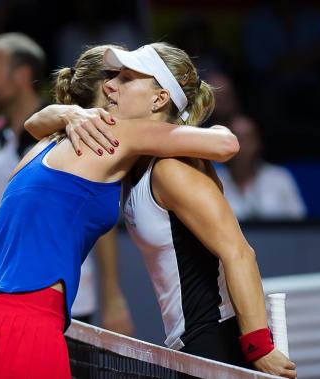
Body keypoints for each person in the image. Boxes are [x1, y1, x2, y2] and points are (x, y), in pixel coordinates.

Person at [0, 43, 242, 378]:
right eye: (122, 78)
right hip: (26, 323)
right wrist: (212, 125)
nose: (121, 86)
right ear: (107, 89)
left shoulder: (41, 145)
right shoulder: (115, 130)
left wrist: (63, 113)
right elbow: (226, 145)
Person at [26, 43, 297, 378]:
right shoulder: (135, 163)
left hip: (218, 343)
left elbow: (239, 252)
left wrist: (260, 347)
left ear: (158, 99)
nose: (111, 86)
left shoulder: (170, 170)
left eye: (126, 79)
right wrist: (68, 113)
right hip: (190, 346)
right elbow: (35, 127)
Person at [0, 33, 132, 333]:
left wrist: (112, 297)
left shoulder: (69, 130)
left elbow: (96, 216)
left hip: (65, 296)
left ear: (21, 75)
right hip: (2, 288)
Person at [217, 115, 306, 220]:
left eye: (246, 139)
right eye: (235, 139)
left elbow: (300, 223)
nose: (240, 146)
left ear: (258, 143)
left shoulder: (279, 178)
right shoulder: (214, 180)